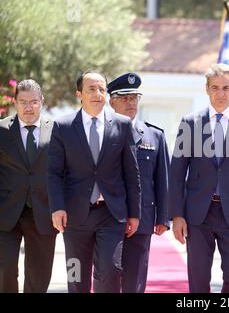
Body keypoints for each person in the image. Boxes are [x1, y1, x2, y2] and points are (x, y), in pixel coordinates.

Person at [168, 63, 229, 293]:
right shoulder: (190, 123)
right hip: (198, 214)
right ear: (207, 89)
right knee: (199, 280)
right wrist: (177, 215)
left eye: (225, 88)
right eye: (215, 88)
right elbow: (177, 172)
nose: (220, 94)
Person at [47, 70, 141, 293]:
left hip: (111, 213)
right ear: (79, 94)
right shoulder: (63, 126)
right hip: (75, 215)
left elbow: (132, 172)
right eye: (92, 89)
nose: (98, 94)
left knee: (110, 270)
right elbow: (53, 173)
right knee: (76, 276)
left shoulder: (122, 125)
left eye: (101, 89)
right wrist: (57, 208)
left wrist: (134, 213)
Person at [108, 72, 170, 293]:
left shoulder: (155, 135)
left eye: (134, 97)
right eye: (124, 98)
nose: (130, 102)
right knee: (108, 276)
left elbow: (162, 181)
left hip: (142, 219)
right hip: (107, 218)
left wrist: (163, 217)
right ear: (111, 101)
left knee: (135, 280)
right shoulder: (101, 132)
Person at [0, 79, 57, 293]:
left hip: (43, 212)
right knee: (4, 269)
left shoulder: (57, 130)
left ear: (41, 102)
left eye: (33, 102)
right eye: (23, 102)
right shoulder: (2, 129)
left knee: (39, 275)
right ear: (15, 102)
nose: (28, 107)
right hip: (5, 213)